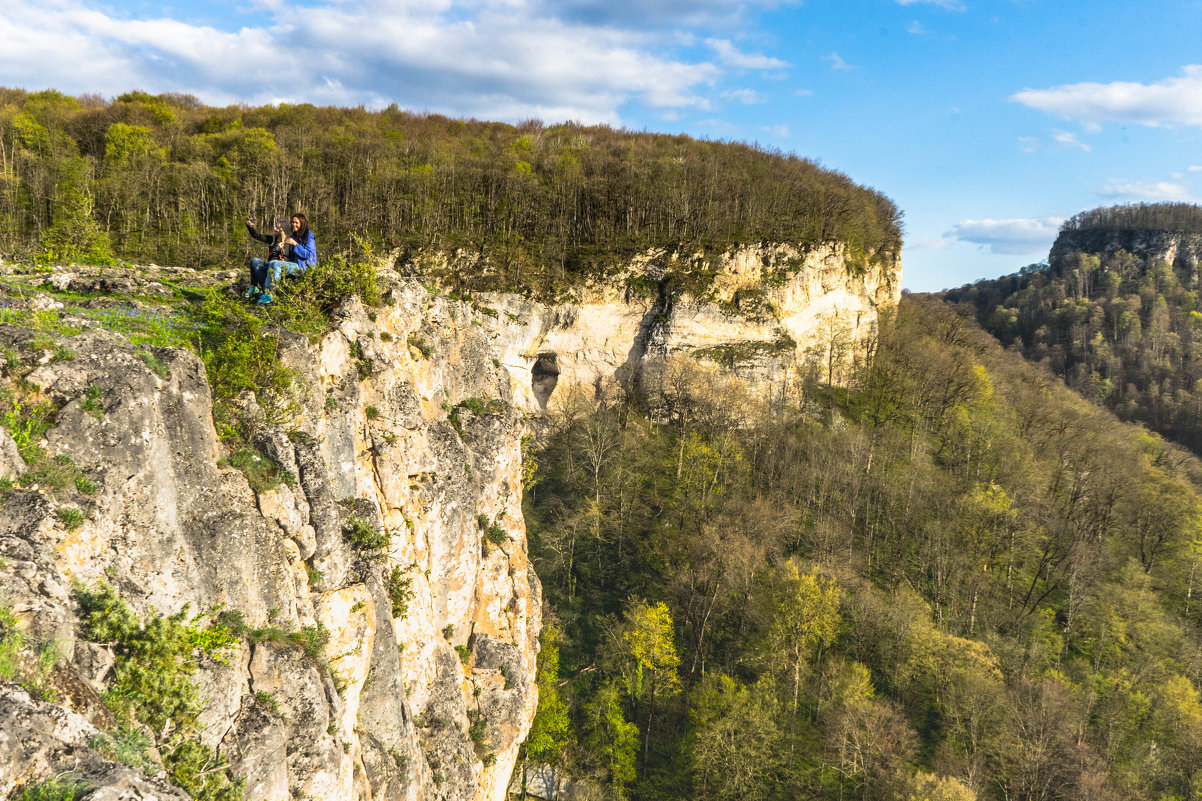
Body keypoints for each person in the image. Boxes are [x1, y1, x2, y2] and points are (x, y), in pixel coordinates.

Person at [245, 213, 317, 305]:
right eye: (293, 222)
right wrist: (284, 258)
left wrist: (295, 244)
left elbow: (309, 255)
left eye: (296, 222)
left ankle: (271, 293)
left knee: (275, 263)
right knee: (262, 264)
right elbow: (292, 256)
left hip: (304, 267)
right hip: (293, 265)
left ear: (302, 223)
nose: (294, 224)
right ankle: (265, 293)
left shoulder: (308, 236)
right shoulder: (293, 237)